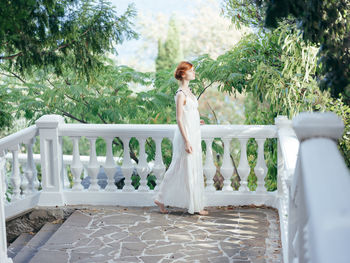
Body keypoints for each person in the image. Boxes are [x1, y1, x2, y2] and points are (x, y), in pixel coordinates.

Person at [153, 61, 208, 215]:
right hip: (186, 136)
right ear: (183, 73)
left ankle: (194, 204)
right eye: (191, 70)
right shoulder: (180, 94)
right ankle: (161, 198)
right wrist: (187, 141)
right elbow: (178, 119)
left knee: (190, 168)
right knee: (177, 166)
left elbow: (189, 113)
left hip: (193, 132)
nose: (194, 73)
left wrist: (197, 121)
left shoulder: (188, 91)